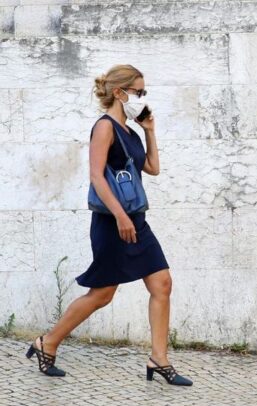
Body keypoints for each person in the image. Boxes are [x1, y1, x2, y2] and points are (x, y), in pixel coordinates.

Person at [25, 65, 192, 386]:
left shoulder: (129, 131)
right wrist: (119, 216)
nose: (142, 98)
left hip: (136, 220)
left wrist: (150, 130)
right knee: (102, 294)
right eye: (139, 92)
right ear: (120, 92)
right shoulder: (104, 128)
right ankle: (47, 342)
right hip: (113, 222)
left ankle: (159, 359)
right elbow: (96, 176)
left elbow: (153, 168)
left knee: (162, 284)